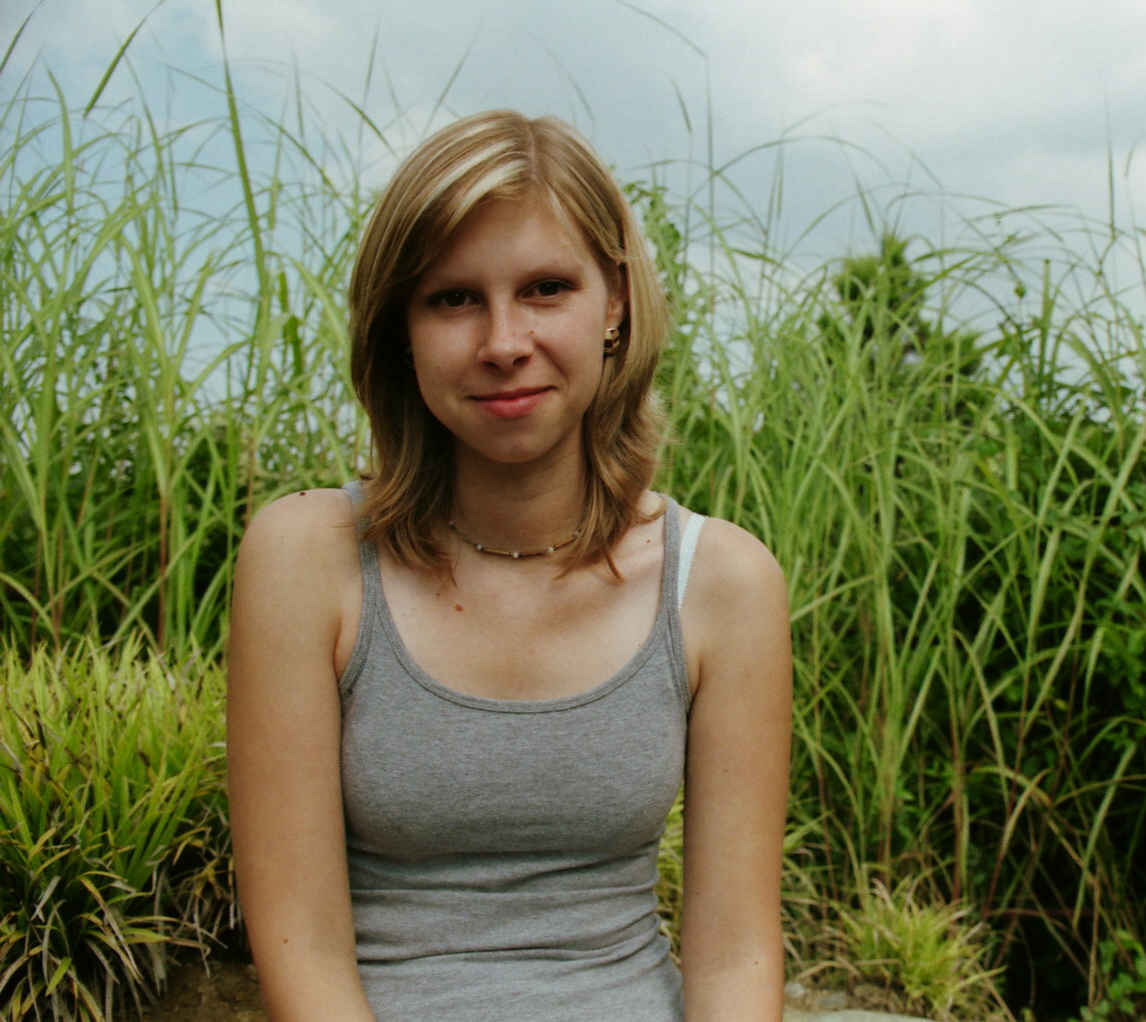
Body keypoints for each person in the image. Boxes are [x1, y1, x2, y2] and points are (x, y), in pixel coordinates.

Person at [226, 110, 792, 1021]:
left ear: (615, 302)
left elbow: (734, 958)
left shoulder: (722, 583)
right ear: (400, 328)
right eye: (452, 299)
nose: (502, 343)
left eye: (545, 289)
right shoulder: (306, 560)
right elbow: (303, 950)